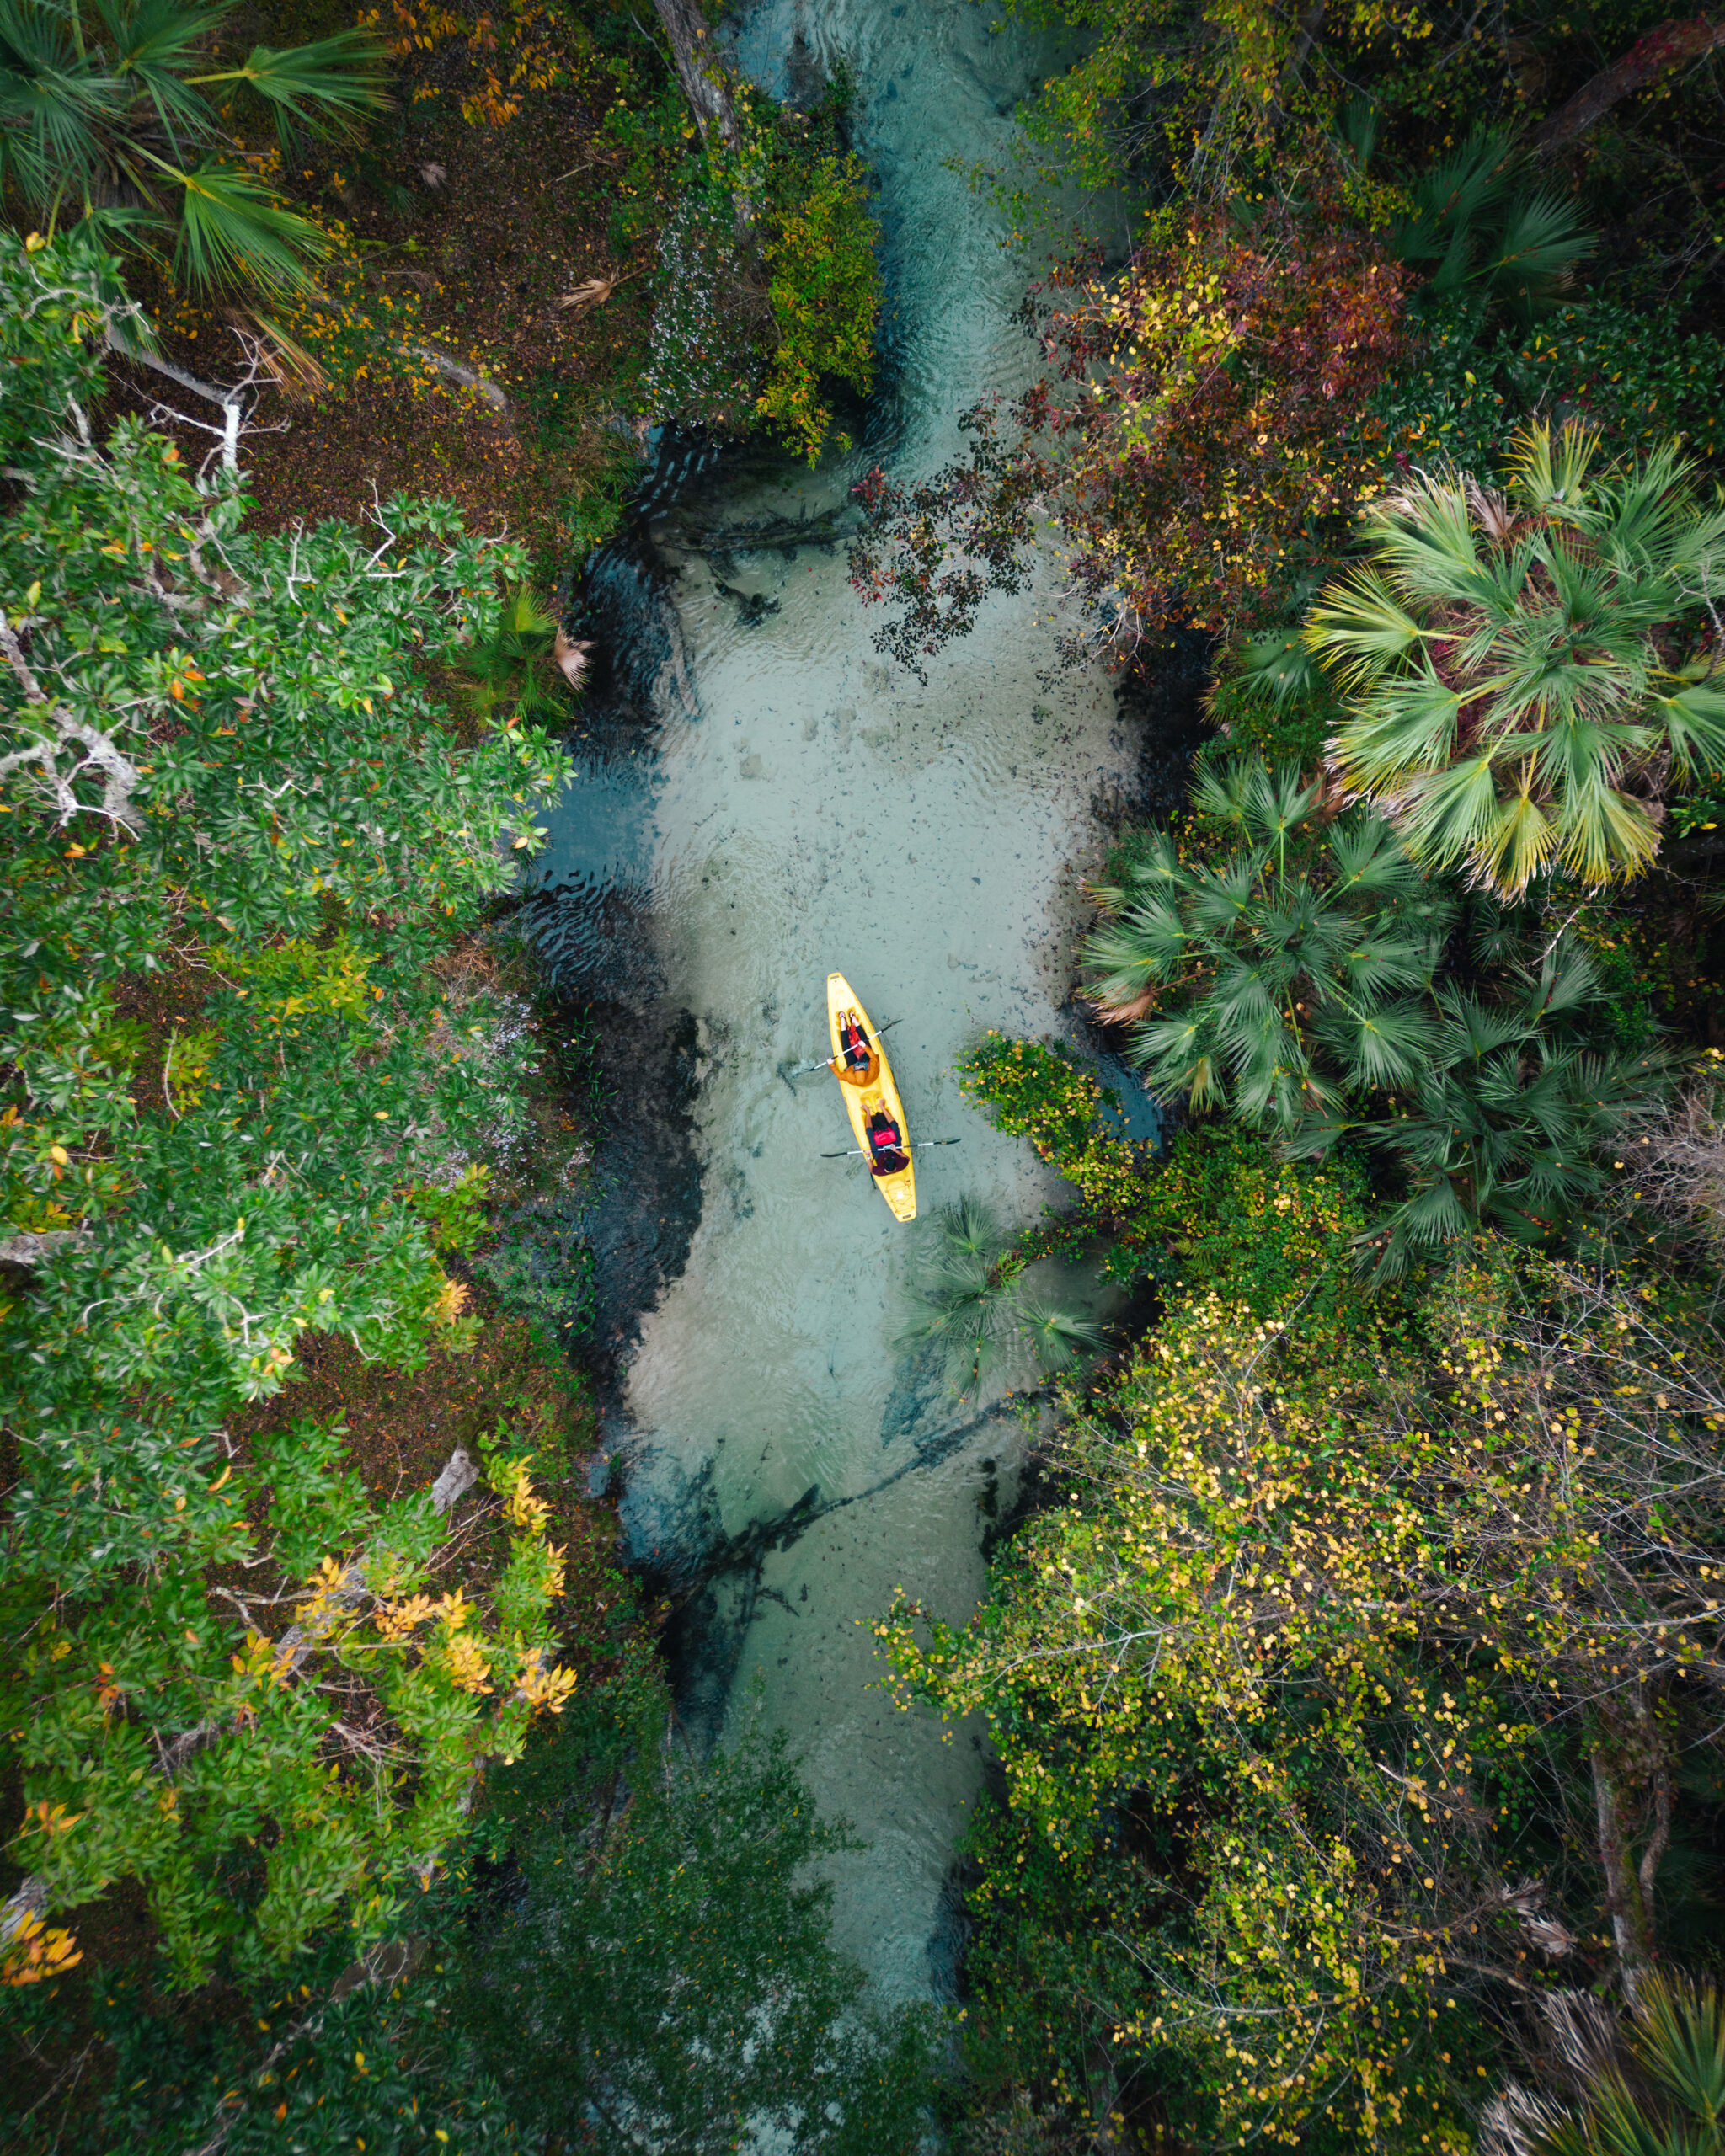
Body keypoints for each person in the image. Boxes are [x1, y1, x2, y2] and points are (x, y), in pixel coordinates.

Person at [830, 1011, 879, 1090]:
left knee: (846, 1050)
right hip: (867, 1063)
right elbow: (873, 1057)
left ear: (855, 1071)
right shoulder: (872, 1071)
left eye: (858, 1068)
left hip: (854, 1066)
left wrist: (831, 1064)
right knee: (866, 1043)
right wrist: (864, 1046)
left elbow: (839, 1076)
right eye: (861, 1067)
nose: (859, 1065)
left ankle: (843, 1026)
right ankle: (855, 1022)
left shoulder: (850, 1077)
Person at [867, 1107, 908, 1177]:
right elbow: (906, 1158)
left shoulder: (880, 1171)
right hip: (893, 1150)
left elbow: (871, 1169)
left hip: (879, 1153)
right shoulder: (902, 1165)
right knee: (895, 1127)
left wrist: (868, 1155)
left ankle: (867, 1112)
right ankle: (882, 1107)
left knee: (870, 1133)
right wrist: (896, 1151)